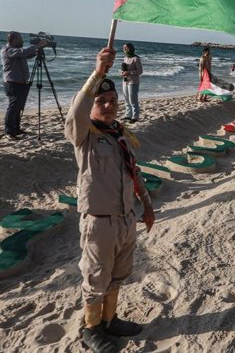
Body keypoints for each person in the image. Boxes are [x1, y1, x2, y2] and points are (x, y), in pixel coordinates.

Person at [65, 46, 155, 352]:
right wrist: (99, 73)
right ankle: (91, 329)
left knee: (118, 276)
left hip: (125, 220)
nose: (108, 106)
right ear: (92, 105)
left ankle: (110, 319)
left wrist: (147, 205)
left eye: (113, 101)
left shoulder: (119, 133)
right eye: (101, 101)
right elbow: (78, 108)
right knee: (95, 279)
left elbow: (134, 172)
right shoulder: (84, 135)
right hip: (99, 224)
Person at [2, 31, 46, 139]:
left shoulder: (17, 52)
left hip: (21, 83)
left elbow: (26, 54)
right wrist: (37, 45)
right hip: (12, 84)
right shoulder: (7, 50)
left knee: (18, 108)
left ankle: (16, 129)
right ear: (13, 39)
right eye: (20, 38)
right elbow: (22, 52)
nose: (22, 40)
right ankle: (9, 131)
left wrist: (37, 50)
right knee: (13, 108)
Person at [120, 43, 143, 123]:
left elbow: (140, 71)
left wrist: (129, 72)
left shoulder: (136, 58)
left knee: (133, 99)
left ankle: (135, 117)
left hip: (133, 82)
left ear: (130, 48)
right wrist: (122, 73)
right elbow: (124, 69)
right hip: (125, 81)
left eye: (126, 48)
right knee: (126, 99)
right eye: (124, 48)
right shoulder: (125, 58)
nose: (125, 49)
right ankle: (128, 115)